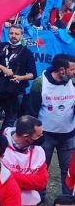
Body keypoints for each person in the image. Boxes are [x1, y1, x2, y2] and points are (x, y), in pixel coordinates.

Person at [28, 53, 75, 194]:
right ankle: (38, 197)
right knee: (41, 168)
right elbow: (31, 111)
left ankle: (68, 200)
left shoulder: (73, 81)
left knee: (68, 170)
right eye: (72, 70)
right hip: (45, 135)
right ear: (61, 70)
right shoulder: (40, 83)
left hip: (68, 135)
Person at [0, 25, 36, 136]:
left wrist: (20, 77)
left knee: (9, 119)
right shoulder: (1, 46)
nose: (14, 36)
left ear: (21, 36)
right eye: (11, 33)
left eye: (16, 34)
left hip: (13, 90)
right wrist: (3, 69)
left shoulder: (26, 53)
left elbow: (33, 74)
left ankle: (3, 143)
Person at [1, 115, 48, 205]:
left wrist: (8, 175)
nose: (42, 137)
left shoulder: (39, 151)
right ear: (26, 136)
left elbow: (41, 182)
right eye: (38, 135)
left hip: (29, 201)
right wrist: (29, 179)